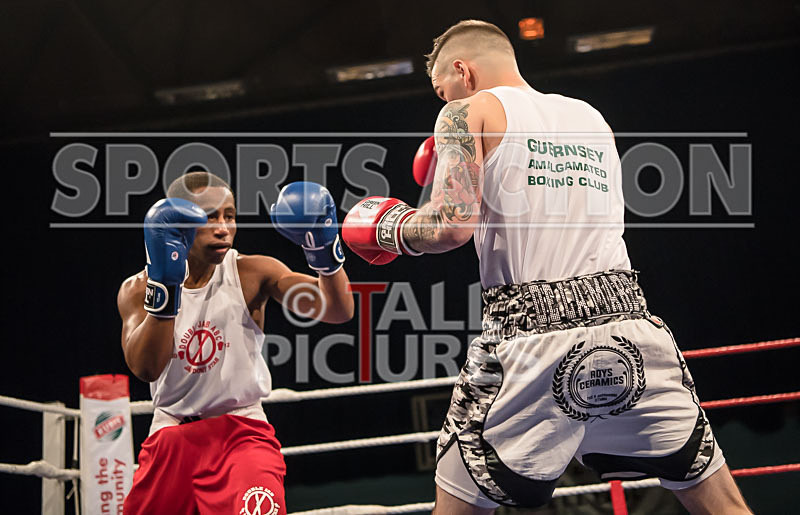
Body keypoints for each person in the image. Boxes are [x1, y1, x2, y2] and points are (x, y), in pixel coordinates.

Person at [342, 20, 751, 515]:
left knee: (457, 506)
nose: (441, 100)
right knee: (721, 503)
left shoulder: (464, 111)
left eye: (441, 88)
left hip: (529, 335)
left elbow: (452, 225)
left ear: (461, 71)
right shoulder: (589, 116)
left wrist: (387, 227)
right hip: (629, 323)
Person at [117, 172, 354, 514]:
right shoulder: (138, 289)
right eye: (210, 216)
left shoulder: (252, 272)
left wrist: (325, 254)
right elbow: (146, 367)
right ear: (179, 221)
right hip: (171, 435)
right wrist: (166, 286)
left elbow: (336, 310)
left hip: (242, 435)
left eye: (229, 215)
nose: (223, 227)